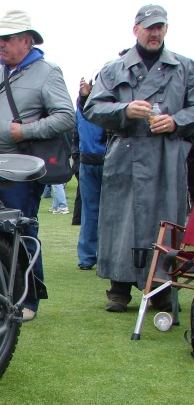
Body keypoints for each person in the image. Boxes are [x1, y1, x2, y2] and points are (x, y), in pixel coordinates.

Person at [84, 4, 194, 313]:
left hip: (167, 157)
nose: (155, 32)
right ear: (136, 30)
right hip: (125, 155)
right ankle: (118, 287)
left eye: (161, 26)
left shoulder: (186, 67)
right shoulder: (112, 68)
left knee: (165, 220)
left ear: (166, 29)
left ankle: (160, 287)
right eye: (150, 27)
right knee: (120, 220)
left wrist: (177, 121)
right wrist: (124, 110)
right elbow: (92, 108)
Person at [0, 10, 74, 321]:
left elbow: (65, 116)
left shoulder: (47, 72)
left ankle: (28, 300)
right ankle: (0, 294)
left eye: (7, 38)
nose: (0, 44)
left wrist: (26, 131)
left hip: (19, 170)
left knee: (21, 232)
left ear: (27, 41)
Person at [75, 74, 107, 270]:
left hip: (87, 160)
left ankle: (87, 257)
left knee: (90, 212)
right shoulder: (104, 106)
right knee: (106, 213)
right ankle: (99, 257)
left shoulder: (83, 105)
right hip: (101, 160)